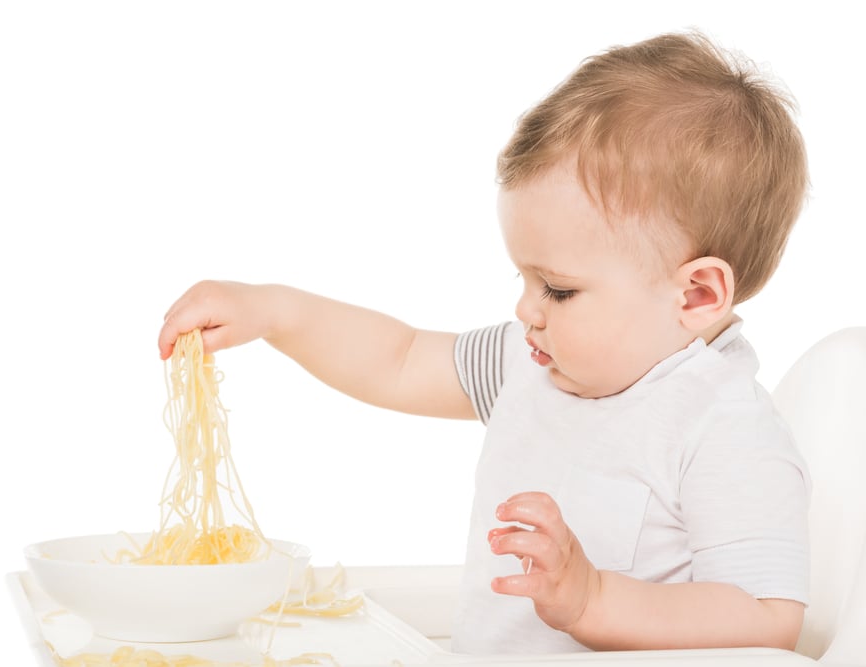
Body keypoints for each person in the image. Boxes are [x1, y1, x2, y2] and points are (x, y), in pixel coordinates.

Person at [158, 31, 810, 654]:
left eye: (557, 289)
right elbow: (399, 359)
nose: (525, 307)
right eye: (522, 276)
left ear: (696, 294)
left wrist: (594, 600)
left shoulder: (725, 429)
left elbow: (766, 618)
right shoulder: (528, 363)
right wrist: (273, 310)